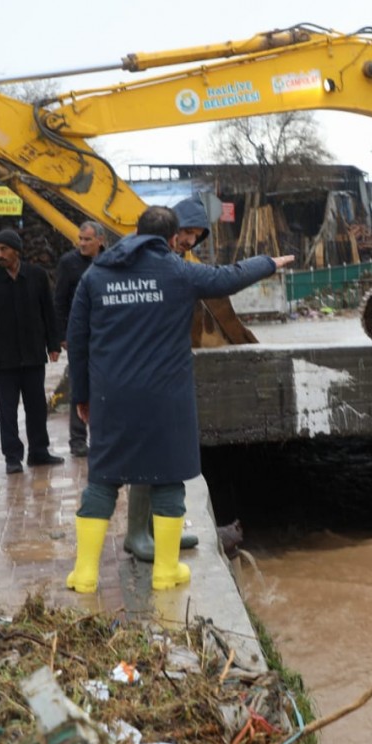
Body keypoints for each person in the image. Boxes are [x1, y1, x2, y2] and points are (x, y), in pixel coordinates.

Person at [64, 205, 293, 592]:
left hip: (112, 396)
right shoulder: (179, 271)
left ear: (137, 231)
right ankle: (166, 571)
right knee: (168, 480)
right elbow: (229, 278)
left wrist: (82, 397)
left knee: (103, 481)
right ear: (171, 240)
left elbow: (78, 341)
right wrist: (269, 263)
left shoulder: (96, 275)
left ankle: (85, 574)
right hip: (165, 397)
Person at [118, 194, 214, 563]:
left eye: (197, 236)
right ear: (173, 231)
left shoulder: (176, 263)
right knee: (146, 451)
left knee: (162, 453)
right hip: (142, 369)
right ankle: (136, 535)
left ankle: (159, 530)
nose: (191, 241)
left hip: (163, 367)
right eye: (187, 232)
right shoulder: (139, 263)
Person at [0, 228, 63, 475]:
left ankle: (39, 451)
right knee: (7, 410)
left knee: (37, 407)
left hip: (34, 355)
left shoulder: (37, 276)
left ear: (16, 251)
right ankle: (12, 456)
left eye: (3, 249)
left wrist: (53, 345)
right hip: (4, 360)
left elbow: (48, 312)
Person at [53, 220, 109, 458]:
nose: (82, 244)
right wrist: (63, 334)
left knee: (107, 383)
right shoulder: (69, 263)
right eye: (80, 239)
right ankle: (77, 440)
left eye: (87, 239)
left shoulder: (111, 261)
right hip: (79, 335)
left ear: (100, 241)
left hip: (106, 335)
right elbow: (60, 300)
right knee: (79, 384)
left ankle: (105, 436)